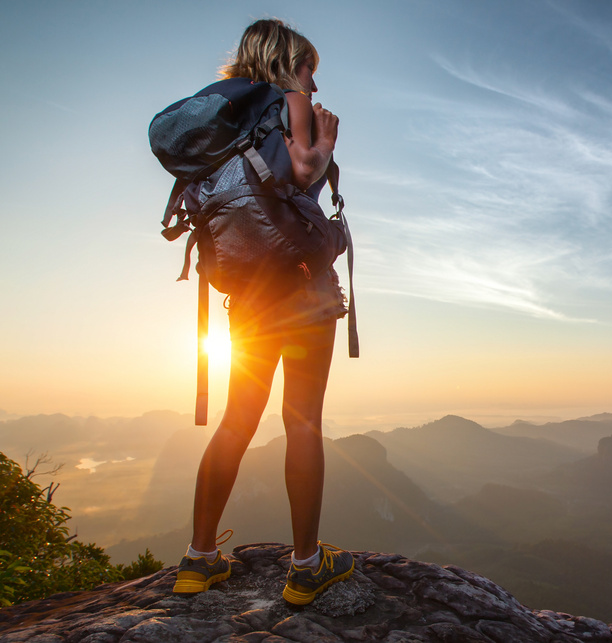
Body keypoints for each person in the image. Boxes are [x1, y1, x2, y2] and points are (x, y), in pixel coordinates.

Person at [171, 18, 354, 606]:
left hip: (246, 296)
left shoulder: (221, 122)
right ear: (287, 62)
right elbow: (302, 172)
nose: (315, 87)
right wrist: (324, 145)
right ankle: (306, 567)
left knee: (237, 420)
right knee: (301, 421)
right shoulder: (289, 101)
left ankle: (199, 561)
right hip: (302, 293)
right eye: (310, 70)